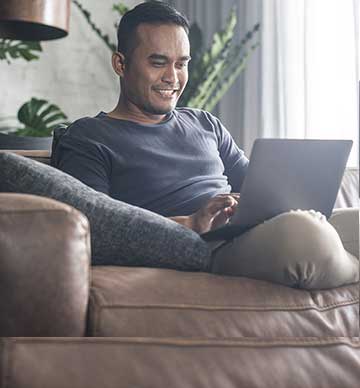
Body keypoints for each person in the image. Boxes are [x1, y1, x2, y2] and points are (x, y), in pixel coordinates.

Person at [52, 1, 358, 289]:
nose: (172, 77)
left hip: (248, 233)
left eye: (181, 64)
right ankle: (342, 262)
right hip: (200, 249)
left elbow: (260, 191)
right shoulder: (88, 137)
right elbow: (94, 228)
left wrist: (277, 204)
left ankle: (331, 255)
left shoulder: (205, 123)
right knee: (305, 236)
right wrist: (189, 223)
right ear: (121, 63)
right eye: (158, 63)